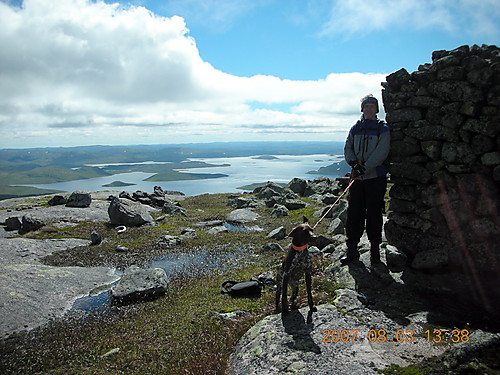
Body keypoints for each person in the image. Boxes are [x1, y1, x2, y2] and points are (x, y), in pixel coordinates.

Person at [341, 94, 390, 265]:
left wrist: (365, 167)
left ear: (376, 109)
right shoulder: (355, 128)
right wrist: (354, 163)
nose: (369, 109)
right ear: (362, 109)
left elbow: (382, 151)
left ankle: (375, 250)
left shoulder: (382, 128)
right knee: (354, 213)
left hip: (374, 178)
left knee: (374, 213)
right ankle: (352, 249)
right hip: (358, 178)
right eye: (366, 106)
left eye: (372, 106)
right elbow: (348, 147)